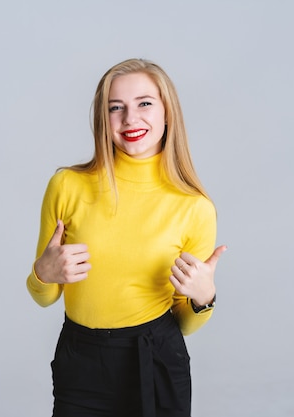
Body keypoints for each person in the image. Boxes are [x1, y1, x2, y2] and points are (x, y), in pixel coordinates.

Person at [26, 58, 226, 417]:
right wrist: (43, 273)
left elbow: (186, 323)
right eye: (115, 108)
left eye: (144, 104)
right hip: (80, 357)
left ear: (168, 113)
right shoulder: (67, 186)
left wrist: (203, 298)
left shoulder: (195, 207)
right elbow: (44, 296)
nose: (130, 119)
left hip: (155, 358)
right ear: (104, 119)